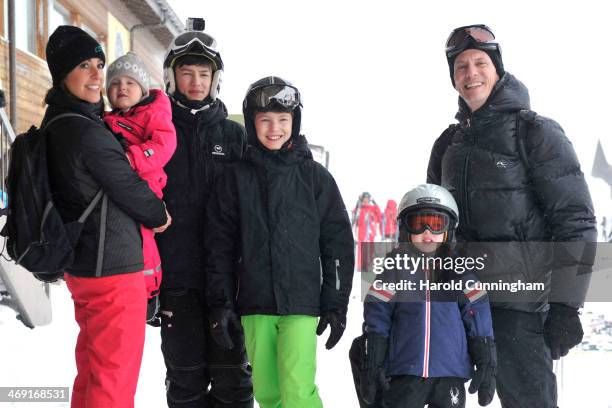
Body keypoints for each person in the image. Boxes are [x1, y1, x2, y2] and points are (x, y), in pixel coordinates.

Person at [427, 24, 597, 408]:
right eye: (460, 67)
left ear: (497, 69)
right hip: (458, 305)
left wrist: (566, 306)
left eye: (480, 63)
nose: (471, 74)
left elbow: (575, 220)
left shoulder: (535, 132)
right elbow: (431, 230)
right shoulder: (447, 145)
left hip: (520, 309)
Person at [205, 76, 355, 408]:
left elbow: (338, 245)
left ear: (294, 122)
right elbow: (220, 248)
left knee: (297, 390)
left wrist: (335, 303)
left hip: (301, 304)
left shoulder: (315, 179)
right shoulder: (235, 178)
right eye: (265, 120)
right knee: (268, 392)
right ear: (251, 123)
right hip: (255, 303)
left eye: (283, 120)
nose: (275, 128)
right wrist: (222, 302)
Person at [43, 26, 171, 407]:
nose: (99, 75)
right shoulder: (86, 131)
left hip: (86, 269)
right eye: (85, 65)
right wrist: (159, 212)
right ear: (63, 72)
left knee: (94, 373)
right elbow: (128, 187)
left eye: (100, 64)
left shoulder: (58, 122)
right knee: (113, 382)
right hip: (114, 271)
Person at [153, 20, 253, 407]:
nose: (196, 81)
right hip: (176, 281)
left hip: (228, 286)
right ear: (172, 76)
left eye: (204, 73)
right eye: (187, 72)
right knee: (185, 383)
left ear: (216, 79)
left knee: (234, 385)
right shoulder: (160, 133)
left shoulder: (234, 137)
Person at [350, 184, 496, 408]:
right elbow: (377, 312)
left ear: (449, 230)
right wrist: (374, 359)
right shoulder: (395, 269)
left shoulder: (460, 270)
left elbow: (477, 312)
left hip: (449, 373)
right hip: (404, 371)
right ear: (405, 229)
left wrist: (485, 359)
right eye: (418, 224)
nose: (427, 232)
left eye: (436, 225)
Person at [103, 51, 177, 320]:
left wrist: (132, 157)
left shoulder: (153, 113)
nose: (122, 87)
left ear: (143, 89)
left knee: (144, 240)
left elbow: (165, 144)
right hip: (119, 192)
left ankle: (149, 293)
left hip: (145, 185)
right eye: (115, 83)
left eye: (130, 83)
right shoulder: (106, 119)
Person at [352, 192, 382, 270]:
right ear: (362, 200)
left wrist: (374, 202)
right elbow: (354, 216)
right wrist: (357, 204)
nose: (366, 200)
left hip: (371, 234)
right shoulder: (359, 209)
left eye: (367, 199)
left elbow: (379, 215)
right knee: (361, 250)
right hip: (361, 233)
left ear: (369, 200)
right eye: (364, 199)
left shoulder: (372, 208)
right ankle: (361, 266)